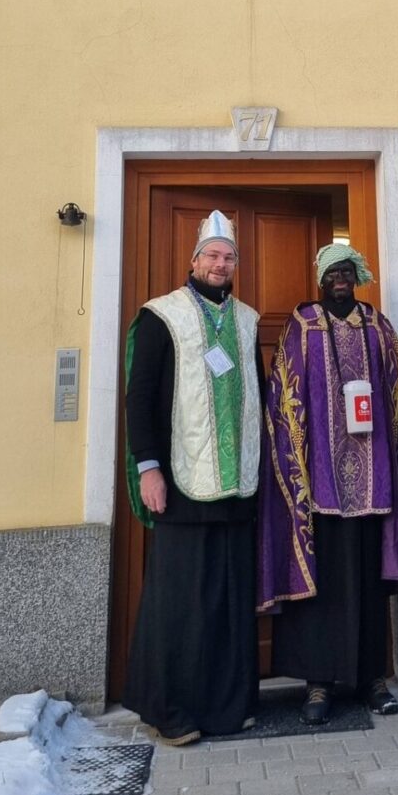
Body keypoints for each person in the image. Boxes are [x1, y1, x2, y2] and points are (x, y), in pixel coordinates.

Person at [258, 242, 398, 724]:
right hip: (319, 482)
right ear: (321, 280)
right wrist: (295, 462)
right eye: (333, 273)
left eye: (347, 271)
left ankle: (372, 680)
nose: (340, 280)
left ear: (357, 277)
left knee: (368, 582)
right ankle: (317, 684)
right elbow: (283, 391)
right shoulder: (302, 324)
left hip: (372, 481)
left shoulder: (377, 325)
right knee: (321, 585)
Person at [123, 210, 263, 745]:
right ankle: (168, 710)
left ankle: (227, 707)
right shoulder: (162, 315)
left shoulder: (247, 320)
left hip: (237, 487)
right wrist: (148, 468)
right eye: (212, 255)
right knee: (180, 603)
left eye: (229, 257)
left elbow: (259, 395)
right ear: (194, 259)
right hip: (181, 484)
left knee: (228, 600)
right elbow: (139, 397)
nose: (220, 264)